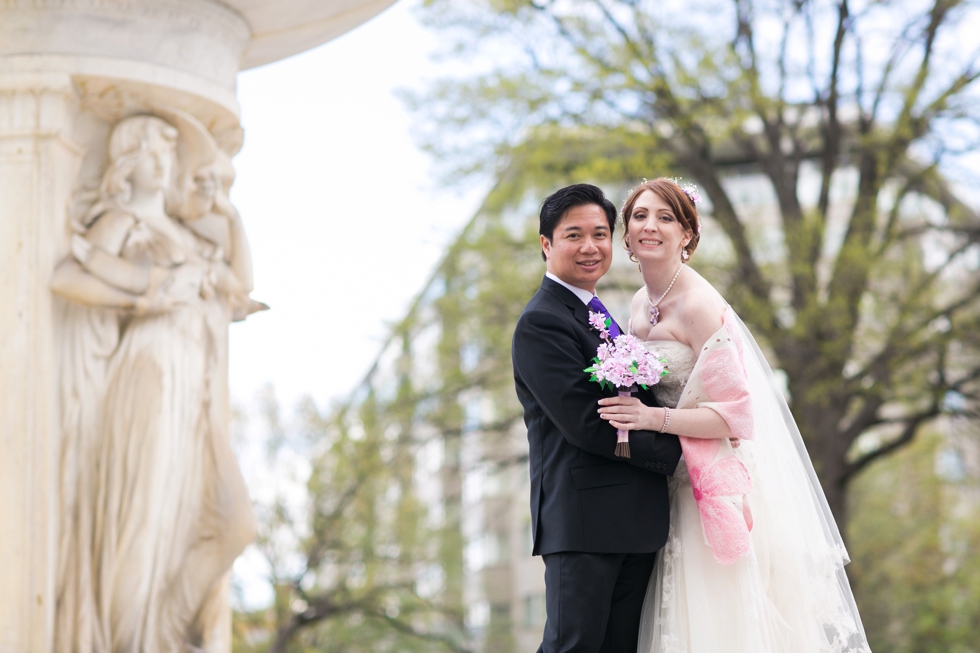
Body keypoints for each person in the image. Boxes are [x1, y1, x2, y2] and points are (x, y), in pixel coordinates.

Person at [597, 178, 871, 653]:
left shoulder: (701, 306)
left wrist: (650, 419)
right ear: (627, 234)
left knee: (719, 624)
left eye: (666, 217)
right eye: (640, 216)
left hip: (711, 482)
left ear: (687, 235)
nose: (650, 226)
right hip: (665, 479)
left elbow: (736, 417)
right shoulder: (642, 303)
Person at [51, 114, 256, 653]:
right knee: (142, 523)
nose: (164, 162)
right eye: (151, 152)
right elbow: (65, 277)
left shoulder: (186, 235)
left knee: (233, 523)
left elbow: (242, 284)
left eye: (168, 152)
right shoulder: (121, 221)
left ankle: (160, 637)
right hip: (149, 373)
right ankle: (127, 641)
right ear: (126, 164)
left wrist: (228, 212)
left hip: (196, 389)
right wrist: (144, 299)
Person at [512, 183, 683, 653]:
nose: (590, 247)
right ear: (546, 244)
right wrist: (676, 449)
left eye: (600, 234)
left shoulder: (597, 313)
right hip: (584, 522)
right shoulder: (541, 320)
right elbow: (587, 425)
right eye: (573, 235)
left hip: (635, 522)